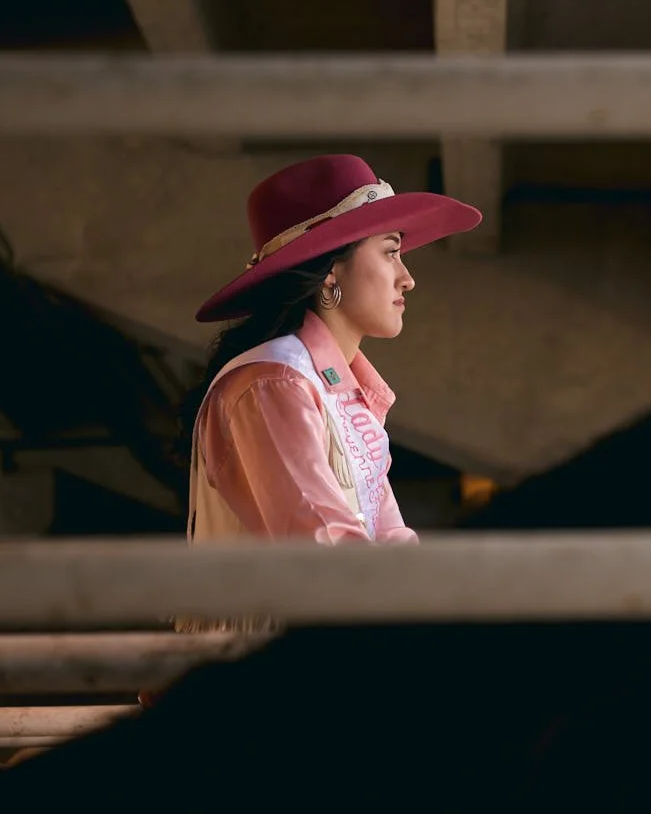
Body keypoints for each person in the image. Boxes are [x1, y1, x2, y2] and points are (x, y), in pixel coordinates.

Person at [181, 154, 480, 546]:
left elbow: (390, 540)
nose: (407, 280)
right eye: (391, 252)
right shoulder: (273, 384)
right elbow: (327, 550)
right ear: (330, 272)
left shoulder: (336, 388)